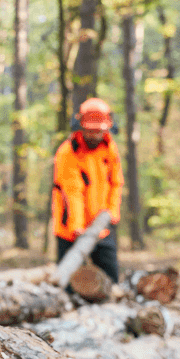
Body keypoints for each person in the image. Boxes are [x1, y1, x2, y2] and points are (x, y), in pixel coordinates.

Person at [52, 97, 123, 283]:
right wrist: (77, 227)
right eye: (90, 131)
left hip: (101, 227)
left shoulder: (110, 148)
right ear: (80, 126)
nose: (94, 135)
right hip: (70, 230)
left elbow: (116, 183)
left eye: (98, 131)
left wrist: (112, 212)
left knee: (110, 280)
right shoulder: (68, 152)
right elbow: (72, 191)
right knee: (67, 283)